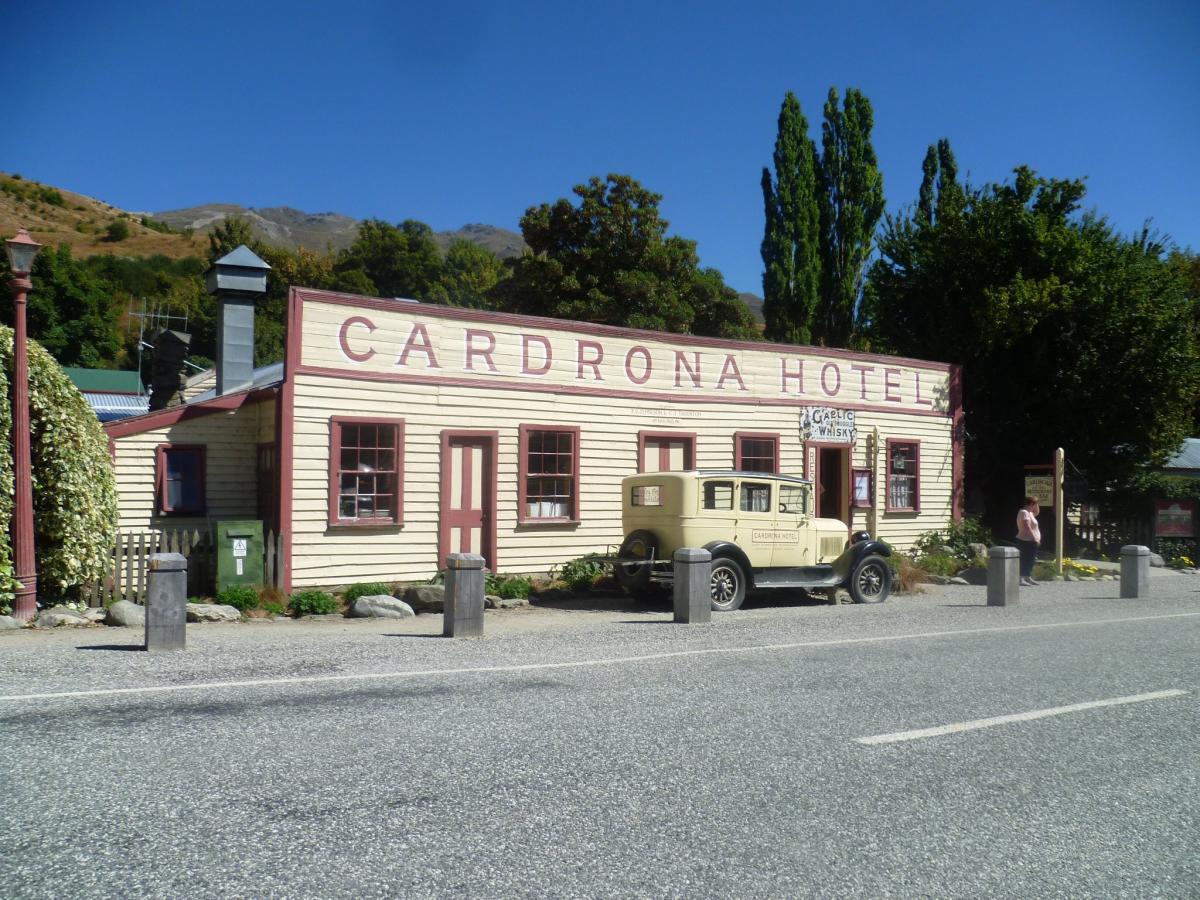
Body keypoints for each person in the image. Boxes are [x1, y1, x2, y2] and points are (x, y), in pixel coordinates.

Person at [1016, 496, 1041, 586]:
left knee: (1031, 559)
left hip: (1030, 540)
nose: (1035, 506)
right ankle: (1021, 578)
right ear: (1031, 504)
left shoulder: (1030, 513)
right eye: (1034, 504)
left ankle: (1027, 576)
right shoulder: (1024, 512)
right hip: (1026, 540)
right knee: (1026, 559)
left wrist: (1036, 502)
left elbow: (1037, 512)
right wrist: (1035, 538)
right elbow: (1027, 526)